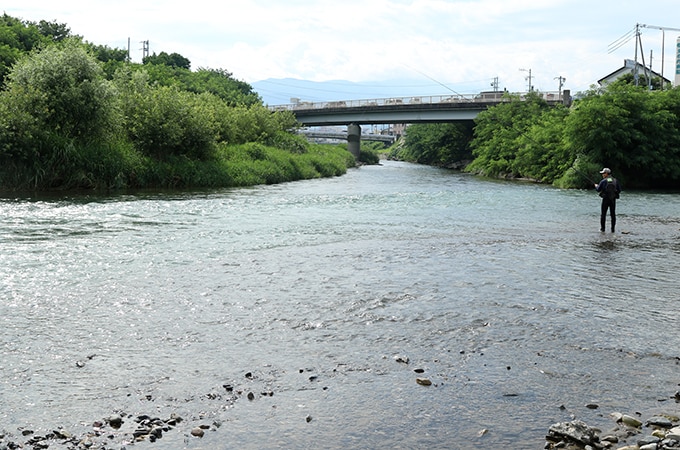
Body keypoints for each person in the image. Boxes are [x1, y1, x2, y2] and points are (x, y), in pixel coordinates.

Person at [594, 168, 621, 232]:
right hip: (613, 200)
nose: (602, 175)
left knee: (603, 214)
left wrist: (596, 186)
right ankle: (613, 229)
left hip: (605, 199)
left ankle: (603, 229)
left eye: (603, 173)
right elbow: (619, 190)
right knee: (613, 214)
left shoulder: (603, 181)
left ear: (606, 173)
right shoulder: (615, 180)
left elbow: (598, 190)